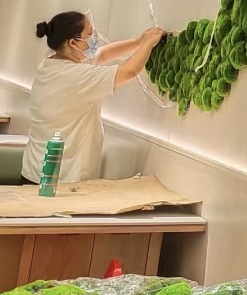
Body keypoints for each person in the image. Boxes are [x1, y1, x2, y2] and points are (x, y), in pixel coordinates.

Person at [23, 12, 164, 185]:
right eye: (89, 35)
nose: (94, 38)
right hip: (60, 179)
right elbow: (128, 71)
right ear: (73, 42)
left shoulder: (51, 64)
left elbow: (102, 55)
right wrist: (148, 44)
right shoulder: (74, 76)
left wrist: (138, 42)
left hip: (35, 170)